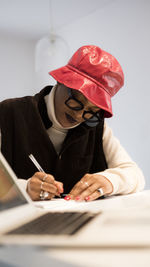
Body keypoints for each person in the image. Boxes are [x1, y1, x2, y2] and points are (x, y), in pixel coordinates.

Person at [0, 45, 145, 201]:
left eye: (92, 110)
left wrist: (110, 181)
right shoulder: (9, 112)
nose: (79, 114)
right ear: (61, 81)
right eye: (77, 100)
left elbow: (135, 175)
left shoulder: (96, 126)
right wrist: (24, 188)